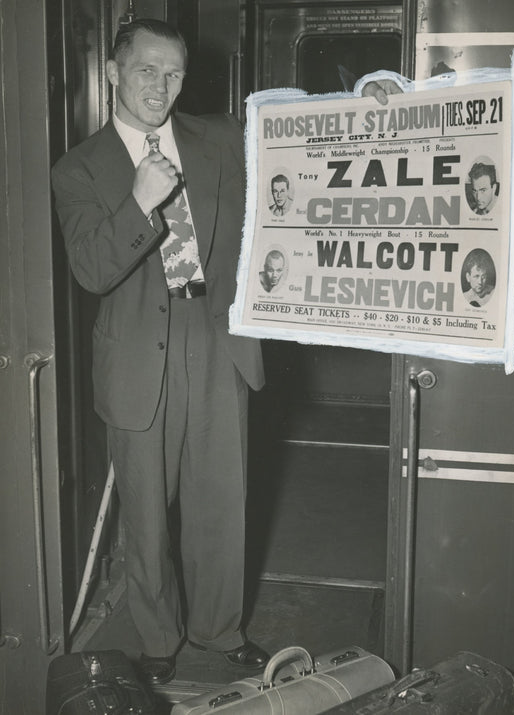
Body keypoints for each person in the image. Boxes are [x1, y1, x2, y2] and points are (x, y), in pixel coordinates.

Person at [52, 19, 268, 686]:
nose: (161, 85)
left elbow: (302, 139)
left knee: (220, 498)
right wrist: (142, 203)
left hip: (215, 338)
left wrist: (373, 95)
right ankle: (158, 636)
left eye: (172, 72)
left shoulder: (221, 139)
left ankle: (219, 627)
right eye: (146, 70)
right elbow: (91, 268)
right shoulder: (78, 168)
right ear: (113, 73)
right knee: (144, 513)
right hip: (136, 356)